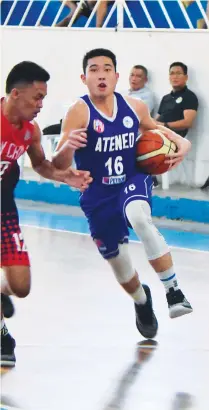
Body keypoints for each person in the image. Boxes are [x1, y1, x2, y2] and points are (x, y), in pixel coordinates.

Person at [53, 48, 193, 341]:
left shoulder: (135, 107)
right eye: (94, 69)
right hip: (97, 193)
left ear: (117, 76)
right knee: (122, 267)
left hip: (132, 178)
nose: (101, 74)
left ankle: (174, 291)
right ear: (84, 77)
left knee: (139, 217)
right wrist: (68, 146)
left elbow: (157, 130)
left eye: (107, 68)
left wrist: (183, 144)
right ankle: (142, 301)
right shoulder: (78, 112)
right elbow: (58, 164)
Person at [0, 61, 92, 367]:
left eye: (43, 98)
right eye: (37, 97)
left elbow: (41, 165)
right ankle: (2, 334)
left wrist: (65, 176)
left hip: (4, 209)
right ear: (15, 94)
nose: (41, 105)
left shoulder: (30, 131)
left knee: (21, 287)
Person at [156, 62, 198, 138]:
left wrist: (164, 125)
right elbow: (157, 119)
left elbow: (187, 123)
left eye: (178, 73)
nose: (175, 77)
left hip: (173, 141)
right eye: (172, 73)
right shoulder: (165, 98)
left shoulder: (189, 96)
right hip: (158, 135)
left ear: (186, 77)